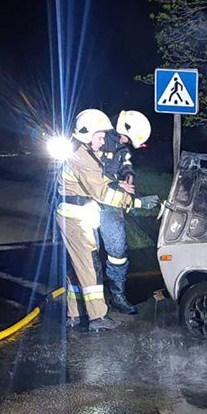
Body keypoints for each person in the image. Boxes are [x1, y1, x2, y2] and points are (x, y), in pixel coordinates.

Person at [57, 109, 159, 332]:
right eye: (100, 136)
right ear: (87, 132)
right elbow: (103, 192)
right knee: (90, 267)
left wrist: (124, 176)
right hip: (79, 214)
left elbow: (113, 171)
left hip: (81, 212)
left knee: (79, 267)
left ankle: (75, 314)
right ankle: (97, 317)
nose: (104, 140)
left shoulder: (85, 149)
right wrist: (139, 203)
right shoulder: (82, 155)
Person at [97, 110, 152, 315]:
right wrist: (116, 183)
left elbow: (126, 163)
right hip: (89, 204)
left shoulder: (121, 148)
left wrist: (128, 175)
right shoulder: (98, 139)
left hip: (111, 205)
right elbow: (90, 174)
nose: (126, 142)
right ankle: (86, 306)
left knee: (118, 253)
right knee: (89, 256)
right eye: (127, 138)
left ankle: (117, 297)